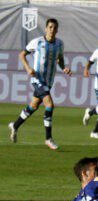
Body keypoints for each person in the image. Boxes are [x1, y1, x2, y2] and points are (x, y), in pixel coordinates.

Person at [8, 18, 72, 150]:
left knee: (34, 105)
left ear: (57, 30)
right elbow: (22, 55)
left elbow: (60, 59)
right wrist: (28, 68)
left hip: (49, 81)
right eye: (50, 27)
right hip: (37, 79)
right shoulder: (37, 42)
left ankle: (15, 125)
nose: (52, 30)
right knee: (49, 104)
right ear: (46, 28)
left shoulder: (60, 44)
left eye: (54, 27)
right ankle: (48, 138)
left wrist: (64, 67)